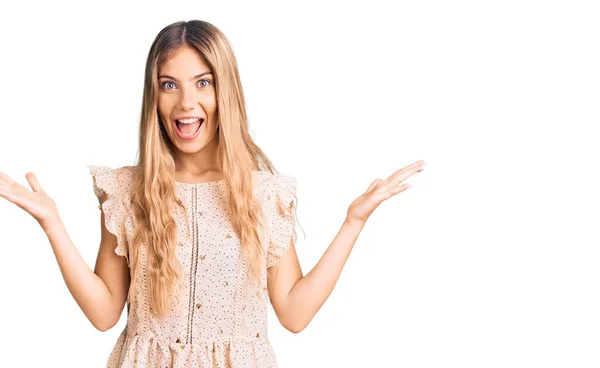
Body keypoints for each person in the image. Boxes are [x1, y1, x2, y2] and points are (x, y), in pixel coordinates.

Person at [0, 19, 426, 367]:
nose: (186, 102)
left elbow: (294, 314)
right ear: (155, 96)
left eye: (202, 83)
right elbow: (104, 312)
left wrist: (354, 221)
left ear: (225, 92)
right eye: (170, 85)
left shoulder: (263, 196)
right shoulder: (129, 192)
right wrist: (51, 222)